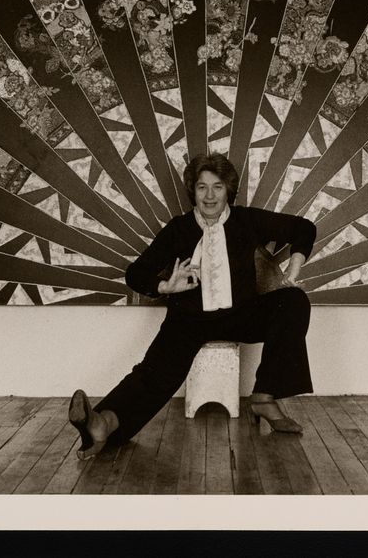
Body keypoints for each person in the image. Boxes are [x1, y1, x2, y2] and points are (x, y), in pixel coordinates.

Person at [69, 152, 317, 460]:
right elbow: (135, 274)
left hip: (241, 314)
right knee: (153, 374)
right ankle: (102, 424)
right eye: (202, 187)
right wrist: (165, 286)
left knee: (293, 302)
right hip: (188, 320)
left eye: (217, 187)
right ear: (193, 191)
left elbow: (304, 229)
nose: (210, 195)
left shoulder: (247, 221)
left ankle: (264, 396)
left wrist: (293, 271)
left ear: (229, 190)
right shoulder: (178, 230)